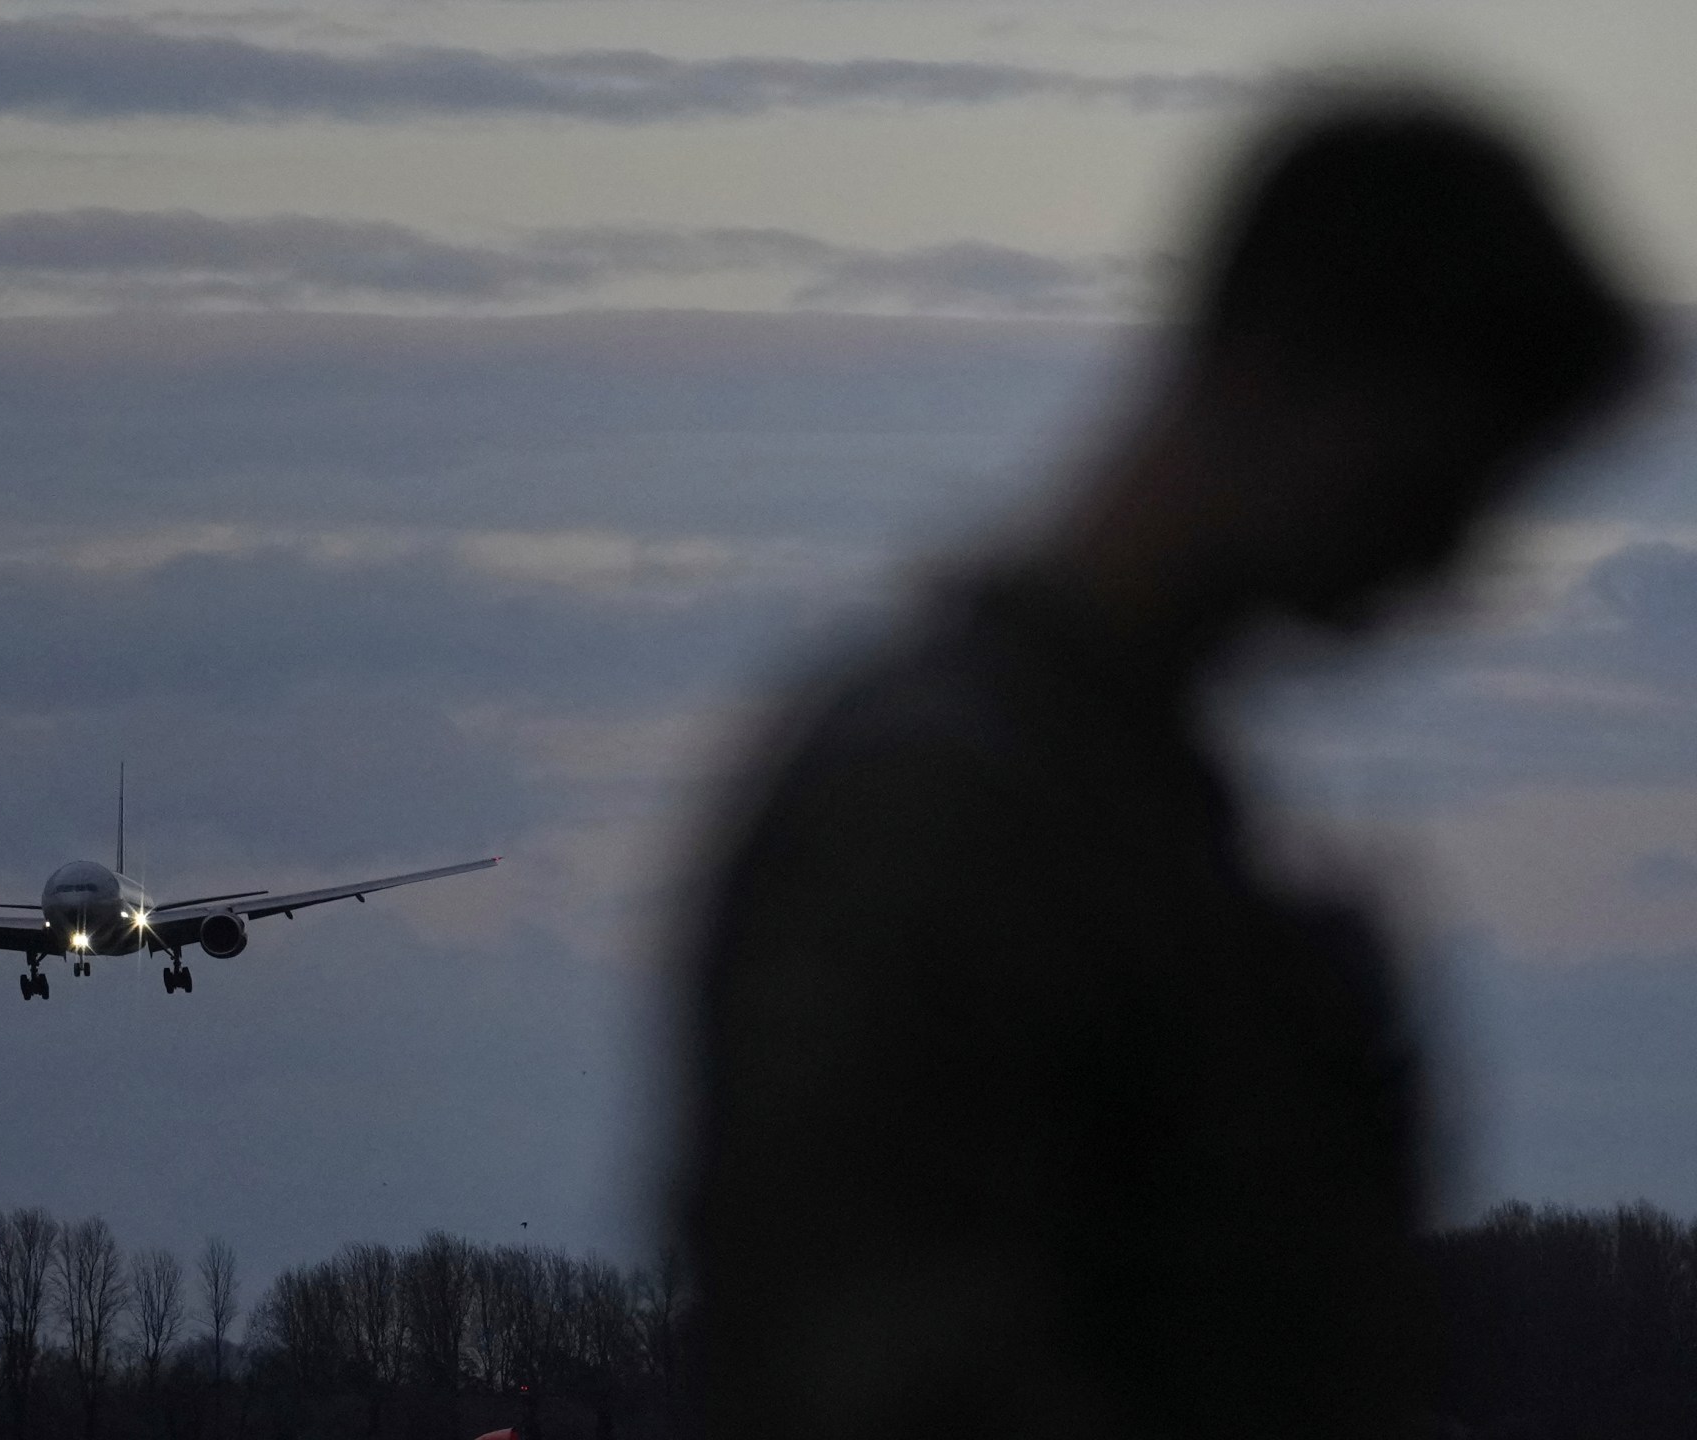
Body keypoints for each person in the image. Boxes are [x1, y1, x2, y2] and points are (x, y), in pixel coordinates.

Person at [683, 89, 1647, 1440]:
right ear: (1289, 372)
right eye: (1430, 487)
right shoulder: (932, 816)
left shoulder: (1120, 811)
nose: (1440, 565)